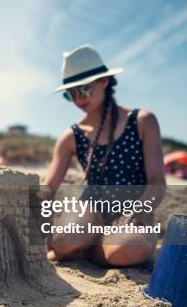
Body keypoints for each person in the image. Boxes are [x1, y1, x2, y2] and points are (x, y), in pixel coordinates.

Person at [44, 45, 166, 266]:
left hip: (134, 209)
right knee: (64, 239)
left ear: (104, 81)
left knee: (128, 249)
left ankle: (87, 251)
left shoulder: (142, 121)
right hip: (90, 210)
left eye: (84, 90)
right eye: (71, 94)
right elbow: (48, 187)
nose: (78, 99)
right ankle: (80, 245)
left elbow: (157, 184)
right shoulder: (70, 136)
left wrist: (135, 212)